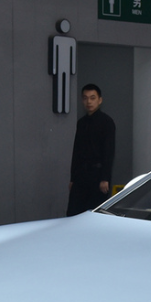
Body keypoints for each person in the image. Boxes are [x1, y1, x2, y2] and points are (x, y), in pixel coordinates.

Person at [67, 83, 116, 216]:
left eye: (92, 98)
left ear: (100, 100)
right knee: (73, 213)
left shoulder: (107, 122)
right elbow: (76, 151)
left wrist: (105, 178)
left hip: (98, 175)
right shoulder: (81, 123)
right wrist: (72, 178)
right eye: (85, 98)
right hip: (80, 175)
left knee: (94, 212)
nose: (89, 102)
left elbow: (109, 151)